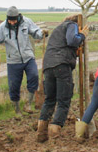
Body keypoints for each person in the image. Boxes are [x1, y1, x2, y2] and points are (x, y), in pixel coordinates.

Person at [0, 6, 47, 114]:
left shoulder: (26, 22)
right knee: (14, 86)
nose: (12, 22)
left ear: (18, 17)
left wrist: (42, 33)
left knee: (34, 76)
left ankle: (28, 104)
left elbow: (36, 31)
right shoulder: (2, 27)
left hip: (28, 57)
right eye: (9, 20)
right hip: (13, 61)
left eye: (14, 20)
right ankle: (17, 109)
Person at [37, 14, 87, 142]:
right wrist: (82, 35)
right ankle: (54, 133)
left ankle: (41, 132)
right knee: (63, 100)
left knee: (49, 99)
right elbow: (72, 40)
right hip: (62, 66)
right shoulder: (72, 25)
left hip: (48, 66)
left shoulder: (58, 30)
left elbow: (66, 45)